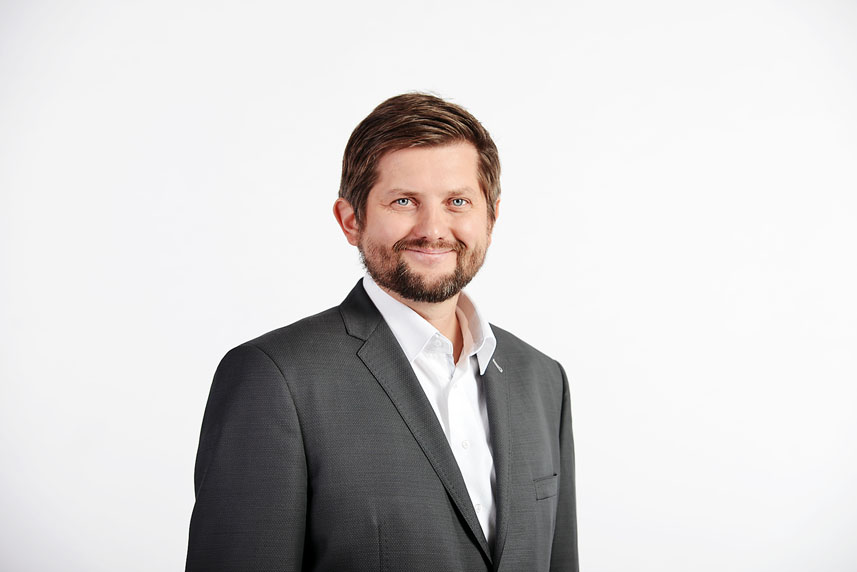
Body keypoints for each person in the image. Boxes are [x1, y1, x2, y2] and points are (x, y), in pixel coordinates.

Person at [185, 93, 578, 571]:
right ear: (351, 220)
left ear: (491, 218)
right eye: (404, 201)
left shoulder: (542, 380)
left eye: (457, 201)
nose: (433, 229)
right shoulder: (275, 380)